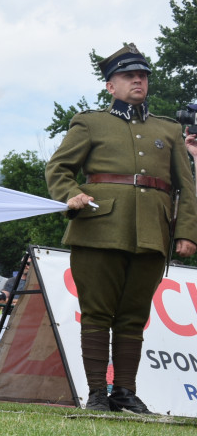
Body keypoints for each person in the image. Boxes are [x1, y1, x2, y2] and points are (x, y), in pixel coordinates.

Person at [45, 43, 197, 414]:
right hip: (98, 229)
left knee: (133, 316)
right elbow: (58, 168)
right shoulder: (89, 122)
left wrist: (187, 232)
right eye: (129, 75)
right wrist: (71, 194)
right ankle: (97, 392)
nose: (138, 80)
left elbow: (186, 186)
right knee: (96, 313)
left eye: (143, 75)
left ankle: (125, 392)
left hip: (152, 233)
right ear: (110, 86)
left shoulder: (170, 129)